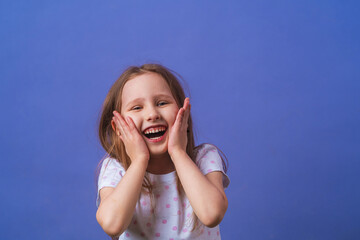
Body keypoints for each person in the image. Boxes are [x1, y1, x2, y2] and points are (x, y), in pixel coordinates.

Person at [96, 64, 230, 239]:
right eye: (137, 108)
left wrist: (178, 153)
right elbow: (112, 225)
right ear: (118, 128)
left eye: (162, 103)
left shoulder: (204, 157)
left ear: (184, 113)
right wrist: (139, 160)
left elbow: (212, 214)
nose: (152, 114)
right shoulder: (115, 169)